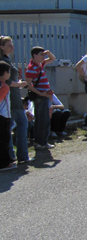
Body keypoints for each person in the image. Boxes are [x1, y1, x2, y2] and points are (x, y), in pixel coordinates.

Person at [0, 36, 33, 164]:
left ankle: (13, 155)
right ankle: (21, 156)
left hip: (13, 96)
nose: (12, 47)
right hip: (10, 98)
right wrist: (19, 84)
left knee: (9, 127)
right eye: (9, 45)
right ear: (1, 46)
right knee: (21, 124)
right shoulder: (3, 61)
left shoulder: (8, 60)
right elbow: (6, 80)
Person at [25, 46, 56, 150]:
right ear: (35, 55)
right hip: (40, 96)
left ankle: (42, 141)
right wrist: (41, 93)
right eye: (41, 54)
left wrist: (48, 52)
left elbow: (52, 59)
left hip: (45, 95)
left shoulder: (39, 65)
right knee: (42, 119)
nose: (43, 56)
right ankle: (41, 142)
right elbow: (28, 85)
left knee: (44, 119)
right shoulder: (31, 68)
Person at [0, 61, 16, 171]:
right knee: (4, 140)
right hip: (3, 116)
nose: (9, 74)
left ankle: (7, 160)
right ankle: (4, 163)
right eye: (8, 72)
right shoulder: (4, 86)